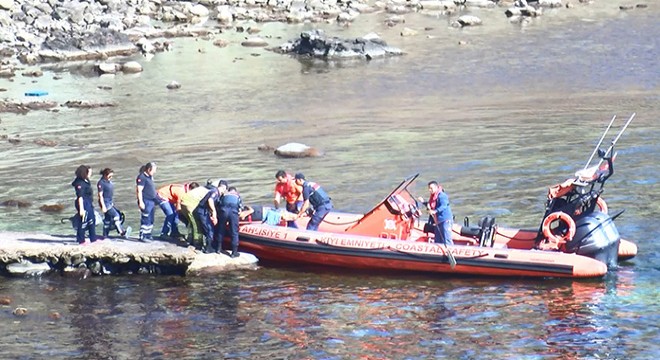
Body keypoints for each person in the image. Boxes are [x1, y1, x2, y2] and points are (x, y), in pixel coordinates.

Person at [135, 162, 167, 243]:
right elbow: (139, 190)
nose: (155, 172)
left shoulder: (149, 177)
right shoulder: (142, 177)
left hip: (152, 201)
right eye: (154, 170)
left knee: (151, 218)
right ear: (149, 169)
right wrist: (140, 202)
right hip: (146, 201)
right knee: (146, 218)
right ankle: (143, 235)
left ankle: (148, 234)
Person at [97, 168, 132, 239]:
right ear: (105, 175)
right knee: (117, 216)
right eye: (109, 176)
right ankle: (121, 232)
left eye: (111, 176)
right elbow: (100, 195)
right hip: (106, 203)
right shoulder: (101, 183)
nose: (111, 178)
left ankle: (105, 234)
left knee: (107, 219)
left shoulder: (108, 181)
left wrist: (111, 203)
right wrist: (103, 206)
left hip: (109, 202)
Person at [194, 179, 226, 253]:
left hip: (201, 211)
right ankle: (208, 249)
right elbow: (210, 200)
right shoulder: (215, 192)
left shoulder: (216, 192)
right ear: (223, 188)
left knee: (206, 229)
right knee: (209, 230)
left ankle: (205, 245)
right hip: (202, 211)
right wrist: (214, 213)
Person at [418, 181, 454, 246]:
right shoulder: (433, 197)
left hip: (445, 220)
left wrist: (435, 211)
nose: (429, 190)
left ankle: (451, 249)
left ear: (436, 187)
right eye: (429, 188)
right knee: (437, 239)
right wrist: (423, 202)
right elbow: (431, 206)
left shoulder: (442, 196)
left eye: (431, 188)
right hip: (437, 221)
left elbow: (444, 206)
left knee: (446, 238)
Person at [72, 165, 98, 245]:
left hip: (88, 203)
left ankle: (93, 238)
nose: (90, 174)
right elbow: (80, 197)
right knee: (83, 221)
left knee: (92, 220)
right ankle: (81, 240)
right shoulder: (80, 183)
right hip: (83, 203)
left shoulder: (86, 180)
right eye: (89, 172)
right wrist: (81, 209)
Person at [179, 182, 210, 248]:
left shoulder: (201, 189)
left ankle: (190, 239)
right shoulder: (209, 192)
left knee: (191, 223)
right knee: (197, 224)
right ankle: (197, 242)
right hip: (190, 205)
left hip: (183, 204)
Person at [217, 186, 243, 258]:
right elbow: (240, 207)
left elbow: (219, 203)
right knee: (234, 232)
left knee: (221, 229)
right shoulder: (237, 196)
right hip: (233, 213)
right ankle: (234, 253)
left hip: (223, 211)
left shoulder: (224, 195)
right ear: (235, 190)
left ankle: (218, 249)